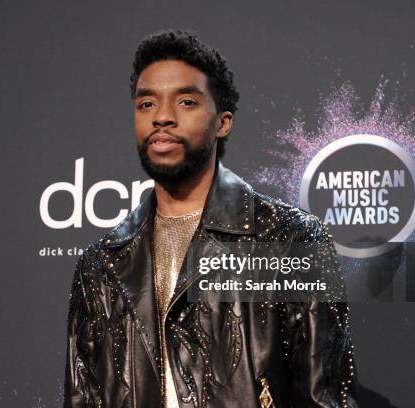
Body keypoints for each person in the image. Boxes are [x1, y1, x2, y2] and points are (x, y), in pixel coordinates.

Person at [64, 29, 357, 408]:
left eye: (186, 102)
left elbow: (324, 396)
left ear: (223, 122)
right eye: (146, 104)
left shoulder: (287, 239)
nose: (162, 118)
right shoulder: (99, 265)